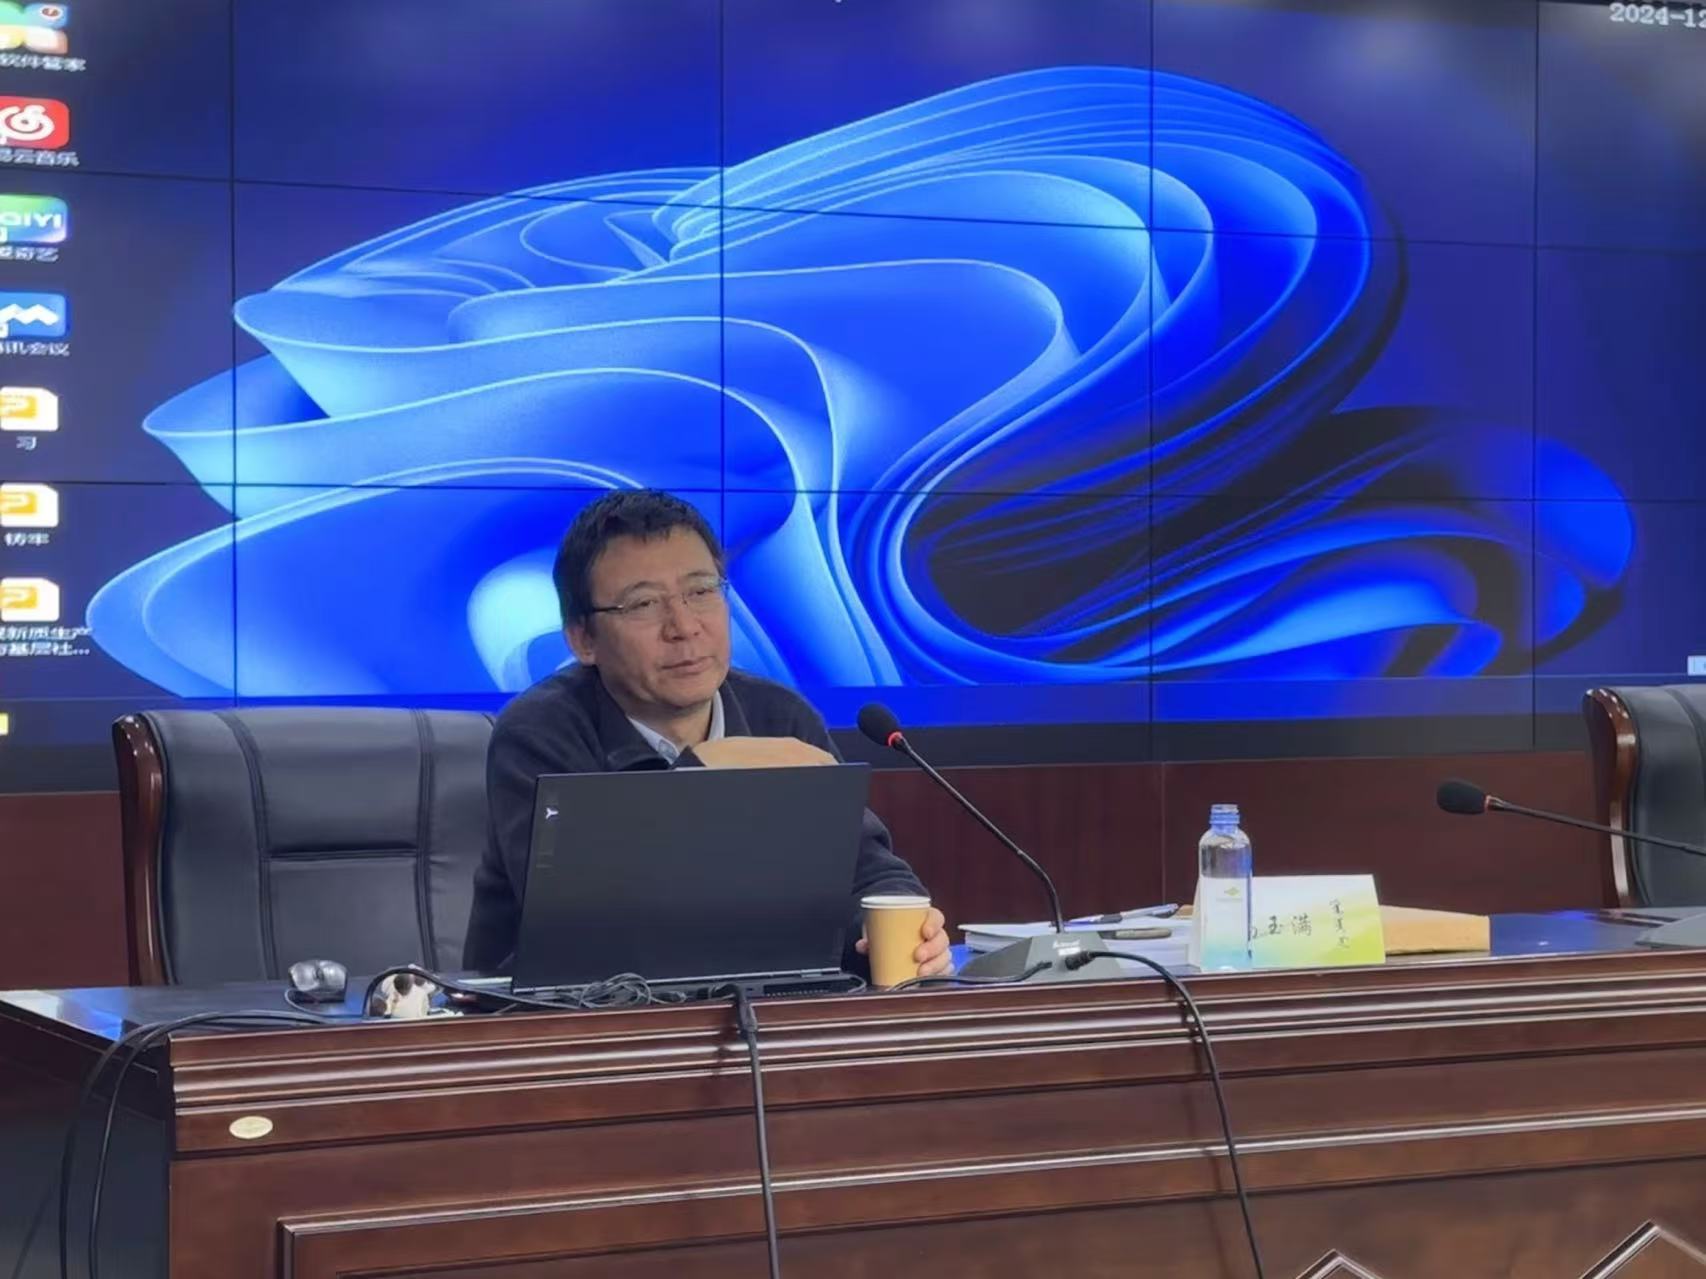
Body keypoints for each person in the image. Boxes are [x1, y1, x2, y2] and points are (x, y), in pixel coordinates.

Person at [463, 489, 952, 981]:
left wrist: (898, 927)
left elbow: (868, 870)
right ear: (582, 639)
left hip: (760, 1008)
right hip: (569, 1017)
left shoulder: (780, 717)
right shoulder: (540, 733)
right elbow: (586, 922)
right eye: (643, 604)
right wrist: (700, 774)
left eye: (700, 592)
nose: (684, 626)